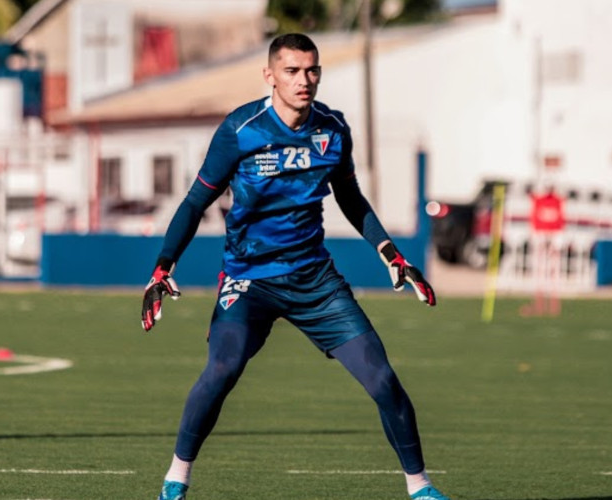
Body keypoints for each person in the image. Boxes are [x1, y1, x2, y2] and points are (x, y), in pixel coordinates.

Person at [141, 33, 451, 500]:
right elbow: (194, 202)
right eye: (292, 71)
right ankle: (176, 479)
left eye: (312, 70)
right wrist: (163, 267)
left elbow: (350, 197)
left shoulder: (333, 129)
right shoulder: (240, 130)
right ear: (270, 76)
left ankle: (420, 488)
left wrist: (390, 252)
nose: (304, 81)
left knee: (383, 378)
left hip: (315, 281)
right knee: (222, 369)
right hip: (249, 279)